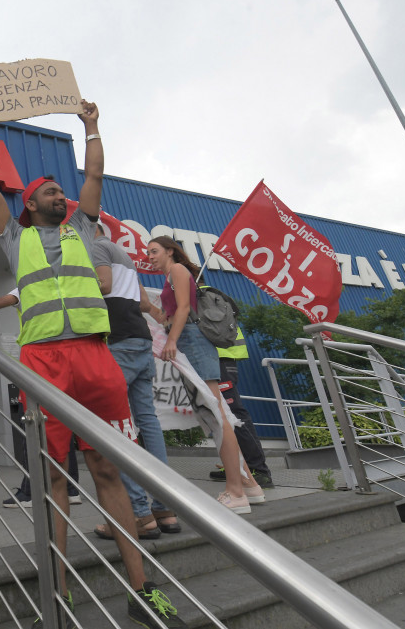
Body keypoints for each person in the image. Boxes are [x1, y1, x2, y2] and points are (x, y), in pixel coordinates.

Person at [0, 105, 185, 629]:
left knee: (109, 468)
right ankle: (55, 601)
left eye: (65, 192)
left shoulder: (84, 229)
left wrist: (90, 128)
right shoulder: (14, 240)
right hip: (43, 363)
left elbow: (96, 175)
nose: (63, 196)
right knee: (54, 480)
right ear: (30, 203)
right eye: (52, 193)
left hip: (95, 355)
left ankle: (143, 590)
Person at [144, 236, 265, 514]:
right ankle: (250, 487)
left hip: (192, 342)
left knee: (216, 413)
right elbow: (170, 315)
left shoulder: (177, 270)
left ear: (170, 251)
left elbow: (185, 309)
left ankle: (235, 492)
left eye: (154, 251)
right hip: (189, 341)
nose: (149, 256)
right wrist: (150, 308)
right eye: (148, 252)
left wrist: (172, 340)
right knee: (215, 411)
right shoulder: (172, 276)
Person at [0, 272, 83, 509]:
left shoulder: (25, 288)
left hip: (38, 361)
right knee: (62, 422)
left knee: (33, 423)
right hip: (66, 357)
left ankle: (29, 492)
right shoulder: (62, 286)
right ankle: (70, 489)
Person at [90, 222, 180, 540]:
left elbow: (102, 285)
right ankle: (164, 508)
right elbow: (142, 303)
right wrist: (158, 315)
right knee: (148, 423)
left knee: (116, 424)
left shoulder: (96, 248)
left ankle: (138, 514)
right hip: (140, 341)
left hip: (118, 344)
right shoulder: (124, 257)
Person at [210, 326, 274, 488]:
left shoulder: (206, 300)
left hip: (219, 356)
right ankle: (237, 466)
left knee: (234, 414)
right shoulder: (214, 300)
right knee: (222, 415)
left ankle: (259, 470)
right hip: (219, 356)